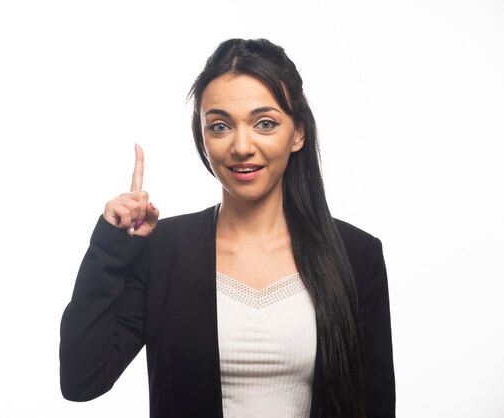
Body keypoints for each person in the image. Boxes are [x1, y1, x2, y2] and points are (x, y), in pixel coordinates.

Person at [59, 38, 395, 418]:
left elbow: (376, 405)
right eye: (219, 126)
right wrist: (110, 242)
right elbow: (81, 380)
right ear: (203, 137)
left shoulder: (355, 254)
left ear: (297, 133)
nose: (241, 146)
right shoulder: (163, 250)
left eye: (264, 123)